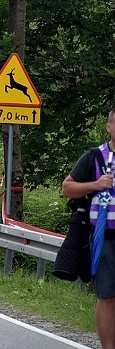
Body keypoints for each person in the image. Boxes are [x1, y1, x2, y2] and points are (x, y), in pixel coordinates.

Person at [62, 109, 115, 349]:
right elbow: (67, 188)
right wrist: (95, 184)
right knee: (107, 295)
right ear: (108, 127)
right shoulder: (95, 157)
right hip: (105, 236)